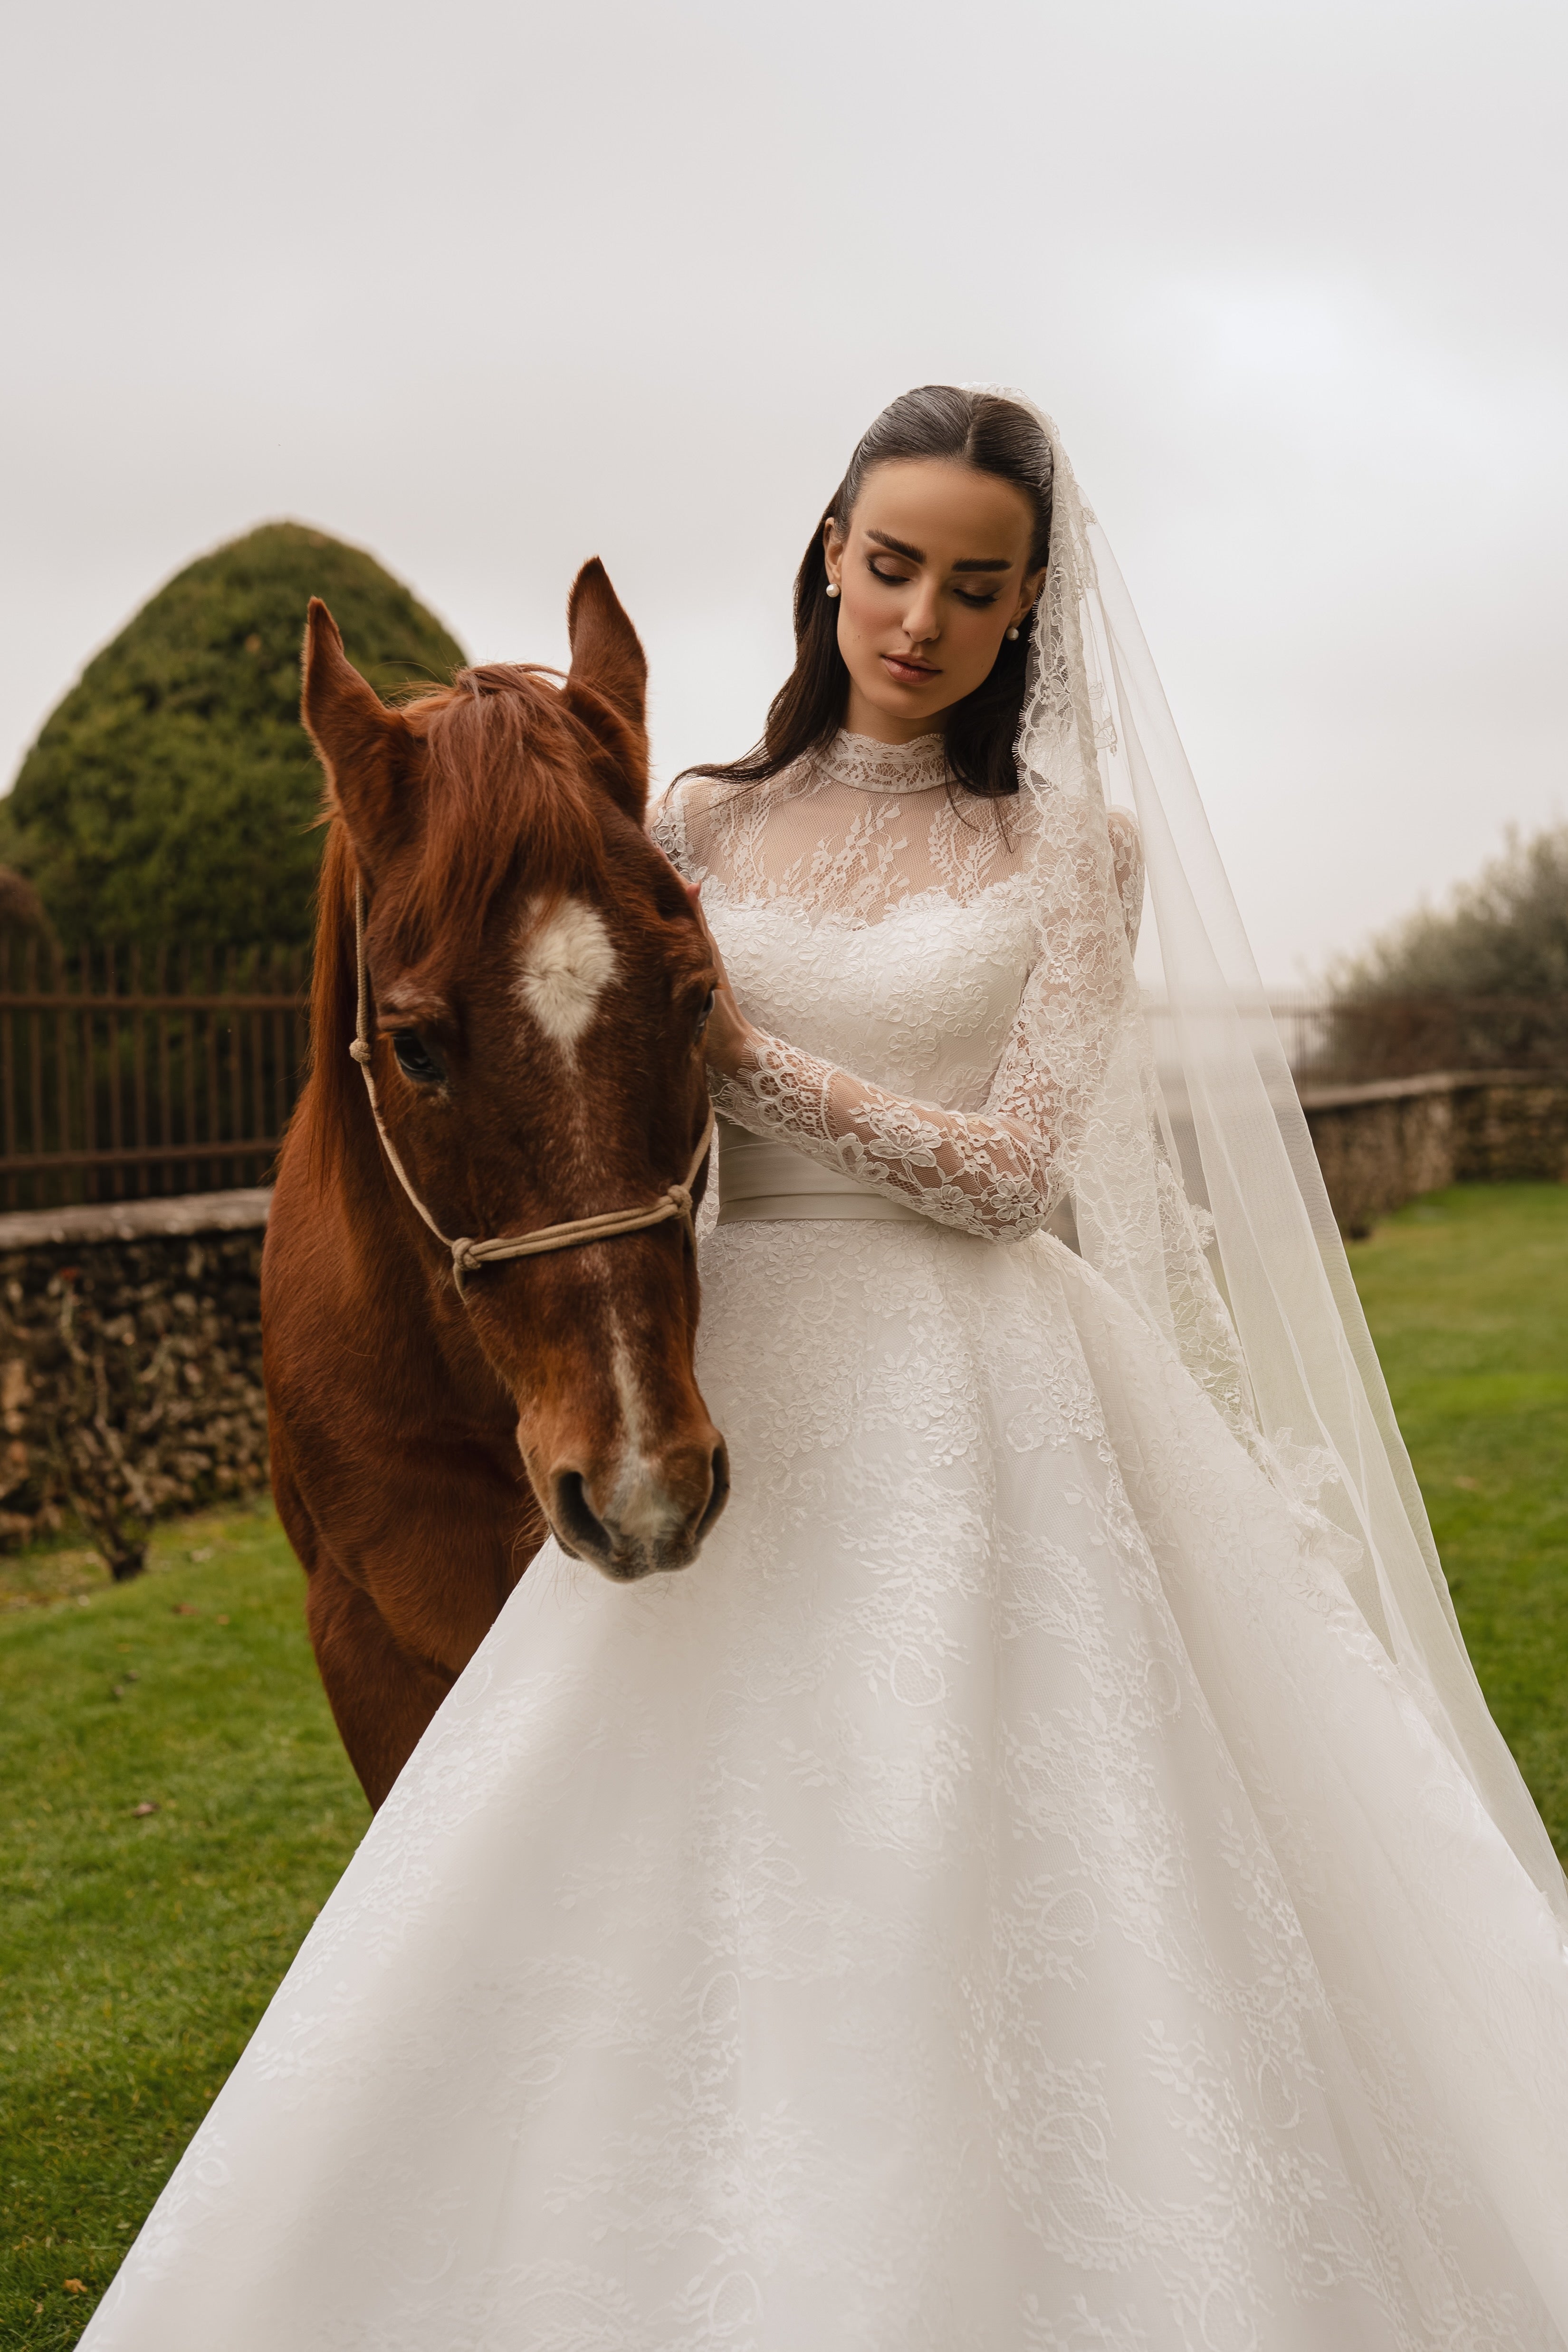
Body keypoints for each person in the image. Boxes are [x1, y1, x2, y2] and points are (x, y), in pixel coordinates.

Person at [84, 388, 1568, 2349]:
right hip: (751, 1360)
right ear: (830, 555)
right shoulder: (692, 817)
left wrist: (741, 1046)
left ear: (1032, 604)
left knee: (1021, 1851)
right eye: (888, 564)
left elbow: (1019, 1164)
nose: (918, 615)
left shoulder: (1070, 848)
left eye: (976, 581)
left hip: (985, 1390)